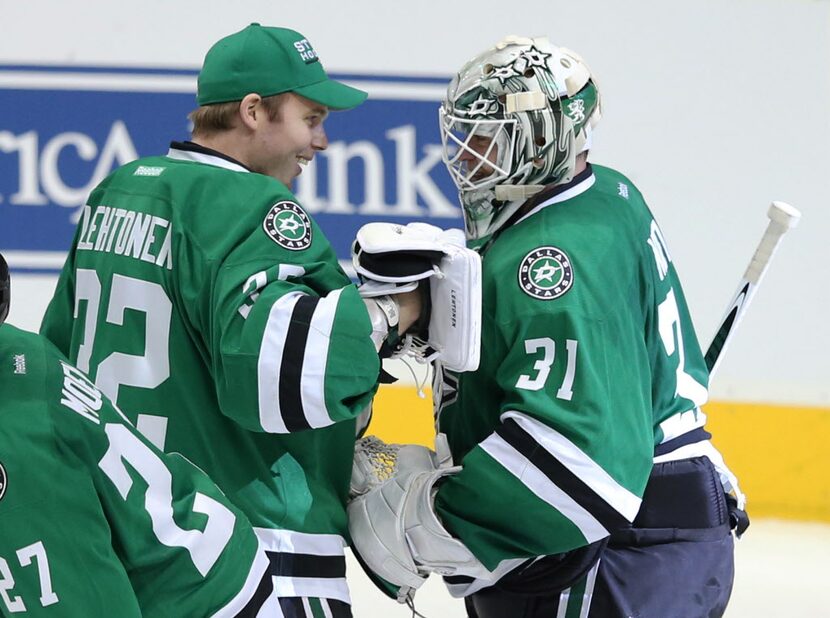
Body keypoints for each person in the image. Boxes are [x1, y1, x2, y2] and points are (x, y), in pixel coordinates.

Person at [348, 35, 749, 617]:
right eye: (462, 135)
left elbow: (575, 464)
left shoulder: (551, 261)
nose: (466, 155)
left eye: (488, 138)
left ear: (547, 139)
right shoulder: (607, 193)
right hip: (662, 527)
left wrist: (423, 522)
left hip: (613, 551)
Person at [39, 24, 421, 617]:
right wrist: (397, 312)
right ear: (252, 111)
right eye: (311, 117)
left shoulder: (116, 192)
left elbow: (57, 364)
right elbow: (277, 378)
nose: (320, 141)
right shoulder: (256, 209)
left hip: (130, 548)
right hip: (254, 560)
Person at [0, 253, 274, 616]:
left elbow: (85, 606)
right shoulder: (15, 349)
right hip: (197, 557)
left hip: (201, 603)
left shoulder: (15, 452)